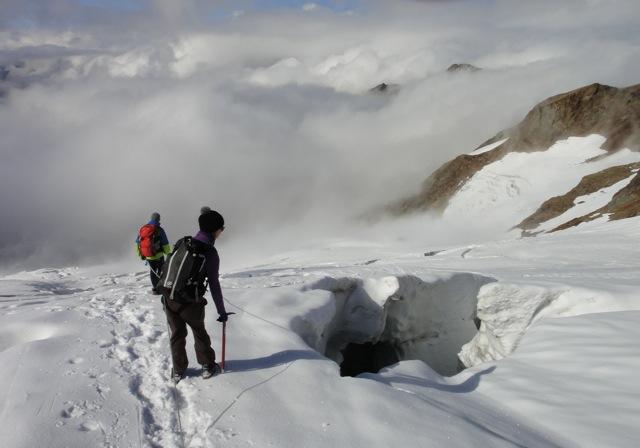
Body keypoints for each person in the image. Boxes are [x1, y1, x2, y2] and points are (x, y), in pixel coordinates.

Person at [164, 210, 230, 381]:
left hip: (169, 298)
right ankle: (207, 366)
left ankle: (178, 370)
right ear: (216, 230)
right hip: (190, 302)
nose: (222, 231)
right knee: (199, 332)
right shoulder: (210, 253)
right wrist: (222, 312)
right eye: (222, 228)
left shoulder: (182, 242)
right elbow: (214, 285)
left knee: (177, 334)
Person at [136, 212, 171, 295]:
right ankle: (160, 287)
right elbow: (165, 243)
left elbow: (137, 242)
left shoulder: (143, 228)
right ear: (159, 219)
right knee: (161, 271)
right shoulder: (159, 229)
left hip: (148, 256)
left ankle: (155, 288)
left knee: (153, 272)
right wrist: (169, 254)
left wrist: (141, 254)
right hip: (158, 255)